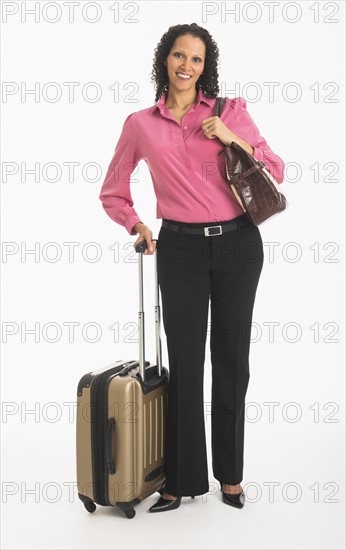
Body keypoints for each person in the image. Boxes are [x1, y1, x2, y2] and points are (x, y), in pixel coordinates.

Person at [99, 22, 285, 513]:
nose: (187, 66)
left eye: (197, 59)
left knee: (231, 361)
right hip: (178, 250)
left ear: (207, 66)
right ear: (165, 59)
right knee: (184, 364)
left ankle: (231, 477)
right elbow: (113, 187)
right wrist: (136, 224)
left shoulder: (231, 111)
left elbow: (276, 167)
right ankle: (179, 481)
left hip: (238, 247)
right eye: (179, 56)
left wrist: (230, 137)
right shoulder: (140, 123)